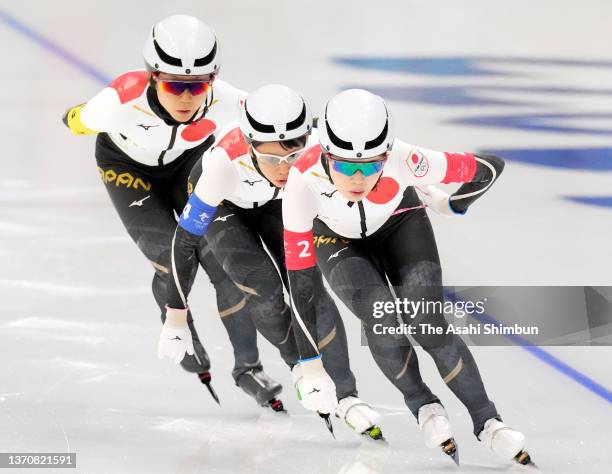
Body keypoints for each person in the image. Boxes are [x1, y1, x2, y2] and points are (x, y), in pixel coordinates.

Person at [282, 89, 533, 465]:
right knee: (380, 316)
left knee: (428, 321)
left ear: (386, 155)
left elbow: (490, 167)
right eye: (344, 165)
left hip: (402, 223)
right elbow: (301, 284)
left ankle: (488, 422)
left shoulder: (408, 160)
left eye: (369, 166)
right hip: (334, 238)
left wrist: (452, 203)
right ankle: (423, 405)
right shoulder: (301, 181)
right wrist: (311, 364)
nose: (357, 176)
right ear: (325, 155)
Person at [61, 14, 277, 403]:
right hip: (126, 168)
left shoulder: (226, 99)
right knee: (172, 257)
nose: (186, 96)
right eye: (174, 84)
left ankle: (249, 368)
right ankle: (178, 326)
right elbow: (76, 121)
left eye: (198, 86)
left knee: (224, 262)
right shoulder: (117, 101)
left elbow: (280, 128)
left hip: (187, 162)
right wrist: (79, 115)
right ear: (152, 76)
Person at [159, 84, 383, 436]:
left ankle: (347, 395)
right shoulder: (222, 165)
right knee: (262, 284)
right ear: (249, 144)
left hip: (277, 203)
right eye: (270, 158)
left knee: (311, 289)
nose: (282, 169)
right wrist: (175, 317)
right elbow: (184, 242)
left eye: (291, 158)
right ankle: (300, 368)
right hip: (226, 205)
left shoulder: (322, 146)